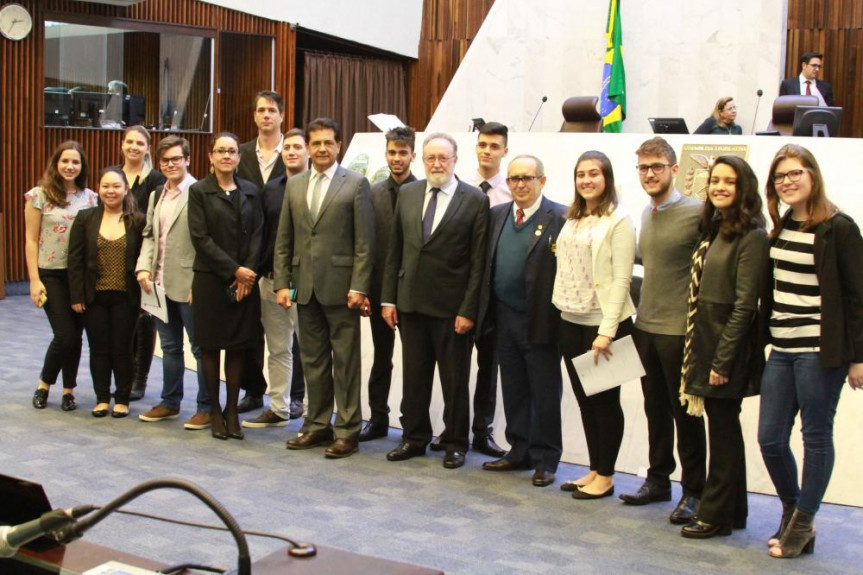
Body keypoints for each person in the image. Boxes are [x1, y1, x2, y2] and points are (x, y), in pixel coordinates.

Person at [758, 144, 863, 558]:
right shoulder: (782, 225)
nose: (787, 181)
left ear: (812, 175)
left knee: (816, 438)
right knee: (770, 439)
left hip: (821, 352)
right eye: (780, 176)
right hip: (782, 348)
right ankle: (794, 509)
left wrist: (858, 358)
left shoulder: (839, 228)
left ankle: (801, 525)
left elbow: (858, 297)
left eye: (794, 173)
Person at [382, 133, 489, 470]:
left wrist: (468, 309)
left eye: (443, 158)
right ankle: (414, 438)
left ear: (456, 160)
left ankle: (455, 442)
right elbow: (395, 250)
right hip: (411, 304)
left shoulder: (473, 200)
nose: (437, 164)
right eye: (431, 158)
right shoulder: (409, 193)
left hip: (452, 310)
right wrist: (388, 299)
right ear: (422, 160)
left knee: (455, 381)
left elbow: (478, 262)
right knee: (414, 377)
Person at [677, 156, 769, 538]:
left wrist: (723, 359)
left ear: (743, 187)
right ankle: (733, 513)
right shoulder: (715, 227)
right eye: (714, 180)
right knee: (724, 429)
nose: (719, 187)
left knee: (724, 433)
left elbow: (746, 305)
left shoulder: (752, 235)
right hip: (705, 340)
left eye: (728, 181)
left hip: (726, 347)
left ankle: (714, 514)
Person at [274, 117, 374, 459]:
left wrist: (360, 285)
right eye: (315, 143)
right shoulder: (295, 184)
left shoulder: (356, 184)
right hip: (304, 287)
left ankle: (347, 430)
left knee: (345, 362)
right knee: (313, 360)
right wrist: (282, 283)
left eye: (327, 143)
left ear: (338, 145)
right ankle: (317, 425)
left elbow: (364, 243)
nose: (320, 149)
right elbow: (284, 239)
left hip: (343, 289)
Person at [619, 137, 707, 524]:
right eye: (643, 167)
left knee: (684, 414)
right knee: (654, 409)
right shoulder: (647, 212)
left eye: (657, 166)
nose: (650, 174)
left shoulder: (699, 213)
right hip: (646, 327)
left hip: (679, 332)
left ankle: (694, 492)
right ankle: (658, 479)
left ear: (674, 170)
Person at [477, 154, 566, 487]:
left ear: (541, 181)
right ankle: (519, 450)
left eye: (527, 178)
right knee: (513, 387)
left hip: (541, 320)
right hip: (504, 316)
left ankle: (546, 459)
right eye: (514, 178)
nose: (520, 184)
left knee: (544, 391)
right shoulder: (497, 215)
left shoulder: (559, 216)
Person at [552, 151, 636, 499]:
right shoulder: (573, 217)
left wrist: (607, 330)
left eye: (594, 174)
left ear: (607, 178)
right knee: (586, 401)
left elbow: (621, 280)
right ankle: (594, 469)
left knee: (605, 402)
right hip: (570, 320)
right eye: (581, 174)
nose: (586, 180)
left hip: (604, 325)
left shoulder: (619, 220)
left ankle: (607, 475)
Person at [188, 132, 264, 440]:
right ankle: (215, 411)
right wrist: (234, 270)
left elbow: (259, 233)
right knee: (209, 347)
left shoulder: (250, 191)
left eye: (232, 151)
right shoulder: (198, 191)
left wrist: (248, 272)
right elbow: (200, 238)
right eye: (220, 151)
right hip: (210, 279)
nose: (226, 156)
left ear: (238, 157)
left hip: (246, 281)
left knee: (237, 348)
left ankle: (233, 411)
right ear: (210, 156)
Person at [136, 136, 211, 430]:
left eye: (176, 159)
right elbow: (150, 236)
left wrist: (200, 283)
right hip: (158, 284)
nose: (170, 165)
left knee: (199, 348)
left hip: (190, 284)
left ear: (188, 159)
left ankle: (206, 407)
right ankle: (170, 403)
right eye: (165, 160)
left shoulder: (199, 192)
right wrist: (143, 268)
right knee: (169, 347)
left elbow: (205, 243)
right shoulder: (157, 195)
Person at [449, 120, 513, 458]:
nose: (487, 151)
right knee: (455, 367)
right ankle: (452, 428)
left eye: (494, 146)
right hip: (460, 290)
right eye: (482, 145)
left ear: (505, 151)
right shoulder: (459, 186)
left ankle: (482, 431)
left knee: (490, 368)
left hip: (496, 295)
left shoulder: (512, 192)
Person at [242, 128, 310, 429]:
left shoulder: (316, 188)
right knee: (278, 348)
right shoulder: (270, 190)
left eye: (297, 146)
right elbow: (262, 236)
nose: (292, 152)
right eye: (288, 148)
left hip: (307, 283)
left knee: (311, 350)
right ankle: (279, 408)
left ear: (307, 151)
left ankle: (313, 413)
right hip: (271, 281)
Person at [67, 167, 146, 418]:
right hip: (93, 297)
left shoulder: (138, 220)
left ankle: (122, 398)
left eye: (116, 186)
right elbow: (75, 261)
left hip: (126, 296)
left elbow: (145, 258)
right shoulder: (85, 217)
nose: (110, 191)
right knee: (99, 349)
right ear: (98, 189)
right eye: (105, 186)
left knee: (122, 349)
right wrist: (77, 296)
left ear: (125, 190)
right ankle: (102, 398)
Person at [26, 141, 98, 412]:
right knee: (64, 334)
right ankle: (44, 384)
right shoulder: (39, 195)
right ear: (56, 164)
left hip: (79, 276)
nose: (70, 166)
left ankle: (69, 390)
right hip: (51, 275)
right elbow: (31, 240)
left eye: (76, 162)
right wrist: (34, 280)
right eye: (65, 161)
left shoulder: (91, 198)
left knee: (77, 335)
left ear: (82, 167)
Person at [359, 126, 418, 442]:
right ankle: (378, 419)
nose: (397, 158)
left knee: (414, 361)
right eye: (392, 153)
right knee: (382, 358)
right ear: (386, 155)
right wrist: (366, 290)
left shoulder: (423, 191)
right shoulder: (373, 192)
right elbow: (366, 243)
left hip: (412, 294)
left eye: (403, 153)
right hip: (380, 291)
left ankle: (411, 422)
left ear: (413, 154)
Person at [236, 90, 287, 414]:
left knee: (289, 331)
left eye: (271, 110)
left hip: (286, 262)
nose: (266, 115)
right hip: (248, 257)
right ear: (254, 116)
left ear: (281, 115)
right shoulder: (239, 153)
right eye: (260, 110)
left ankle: (293, 398)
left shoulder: (295, 153)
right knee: (249, 329)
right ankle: (253, 391)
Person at [111, 125, 166, 402]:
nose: (134, 147)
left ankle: (139, 379)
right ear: (122, 145)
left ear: (147, 148)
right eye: (129, 142)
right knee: (122, 319)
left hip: (145, 256)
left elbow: (157, 218)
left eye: (139, 143)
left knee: (145, 320)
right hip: (116, 257)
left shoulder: (156, 178)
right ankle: (124, 374)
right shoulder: (114, 175)